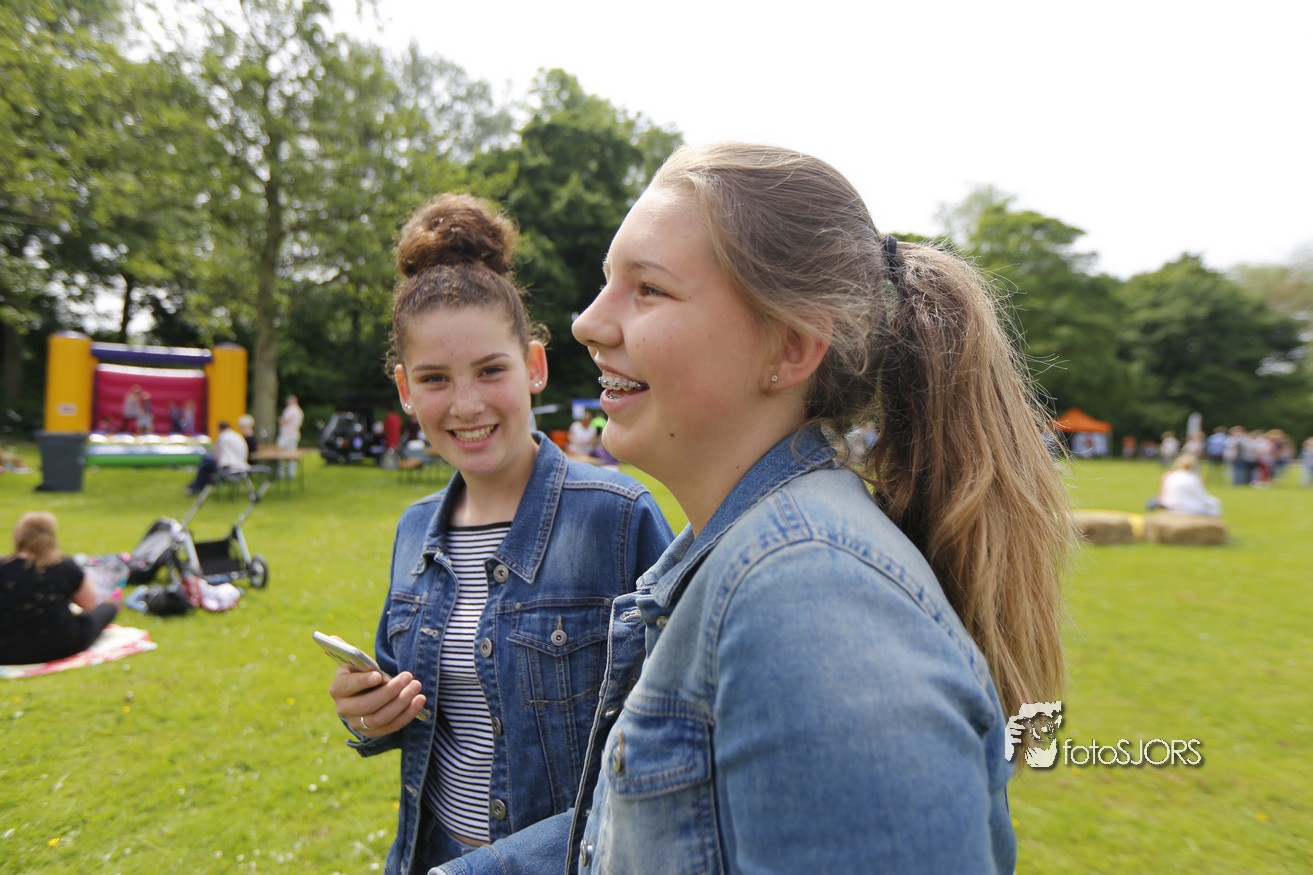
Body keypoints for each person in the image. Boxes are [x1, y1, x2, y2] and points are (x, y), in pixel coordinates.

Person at [435, 143, 1072, 875]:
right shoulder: (748, 560)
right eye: (608, 282)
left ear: (791, 348)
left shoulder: (810, 598)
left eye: (649, 289)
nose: (587, 323)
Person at [326, 192, 673, 875]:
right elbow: (407, 701)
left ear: (534, 366)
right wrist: (365, 713)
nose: (465, 404)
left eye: (490, 370)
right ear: (404, 388)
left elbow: (673, 738)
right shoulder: (413, 529)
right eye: (434, 378)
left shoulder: (616, 516)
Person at [0, 512, 120, 664]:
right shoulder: (64, 566)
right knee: (108, 608)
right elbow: (90, 604)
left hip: (6, 650)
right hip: (60, 645)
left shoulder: (3, 567)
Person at [185, 420, 250, 495]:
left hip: (230, 467)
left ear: (220, 428)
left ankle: (196, 487)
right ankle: (196, 485)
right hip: (241, 465)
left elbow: (216, 454)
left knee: (206, 463)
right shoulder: (236, 435)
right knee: (208, 463)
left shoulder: (223, 437)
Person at [1156, 453, 1222, 515]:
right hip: (1188, 509)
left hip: (1170, 505)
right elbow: (1201, 496)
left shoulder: (1170, 476)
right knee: (1214, 509)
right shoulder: (1193, 478)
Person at [277, 394, 304, 477]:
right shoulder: (299, 411)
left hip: (287, 434)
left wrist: (280, 420)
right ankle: (291, 472)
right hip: (295, 434)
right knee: (292, 453)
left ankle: (281, 472)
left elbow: (285, 420)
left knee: (281, 452)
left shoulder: (290, 410)